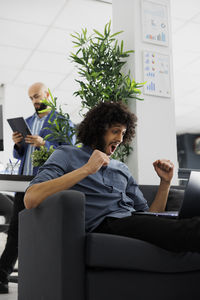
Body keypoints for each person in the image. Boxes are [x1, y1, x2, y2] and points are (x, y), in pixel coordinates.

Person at [24, 102, 200, 257]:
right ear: (97, 130)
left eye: (123, 133)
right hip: (108, 224)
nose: (120, 139)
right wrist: (87, 169)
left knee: (188, 222)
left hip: (132, 222)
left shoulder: (121, 168)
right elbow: (31, 198)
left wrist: (165, 183)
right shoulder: (67, 154)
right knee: (191, 229)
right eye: (115, 131)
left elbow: (151, 216)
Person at [0, 82, 75, 294]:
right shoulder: (28, 122)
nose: (35, 101)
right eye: (31, 98)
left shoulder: (62, 121)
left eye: (37, 96)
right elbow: (19, 155)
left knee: (44, 231)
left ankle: (44, 276)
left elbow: (70, 151)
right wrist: (18, 144)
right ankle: (1, 277)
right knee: (15, 231)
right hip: (24, 185)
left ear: (48, 94)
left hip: (47, 185)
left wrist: (44, 144)